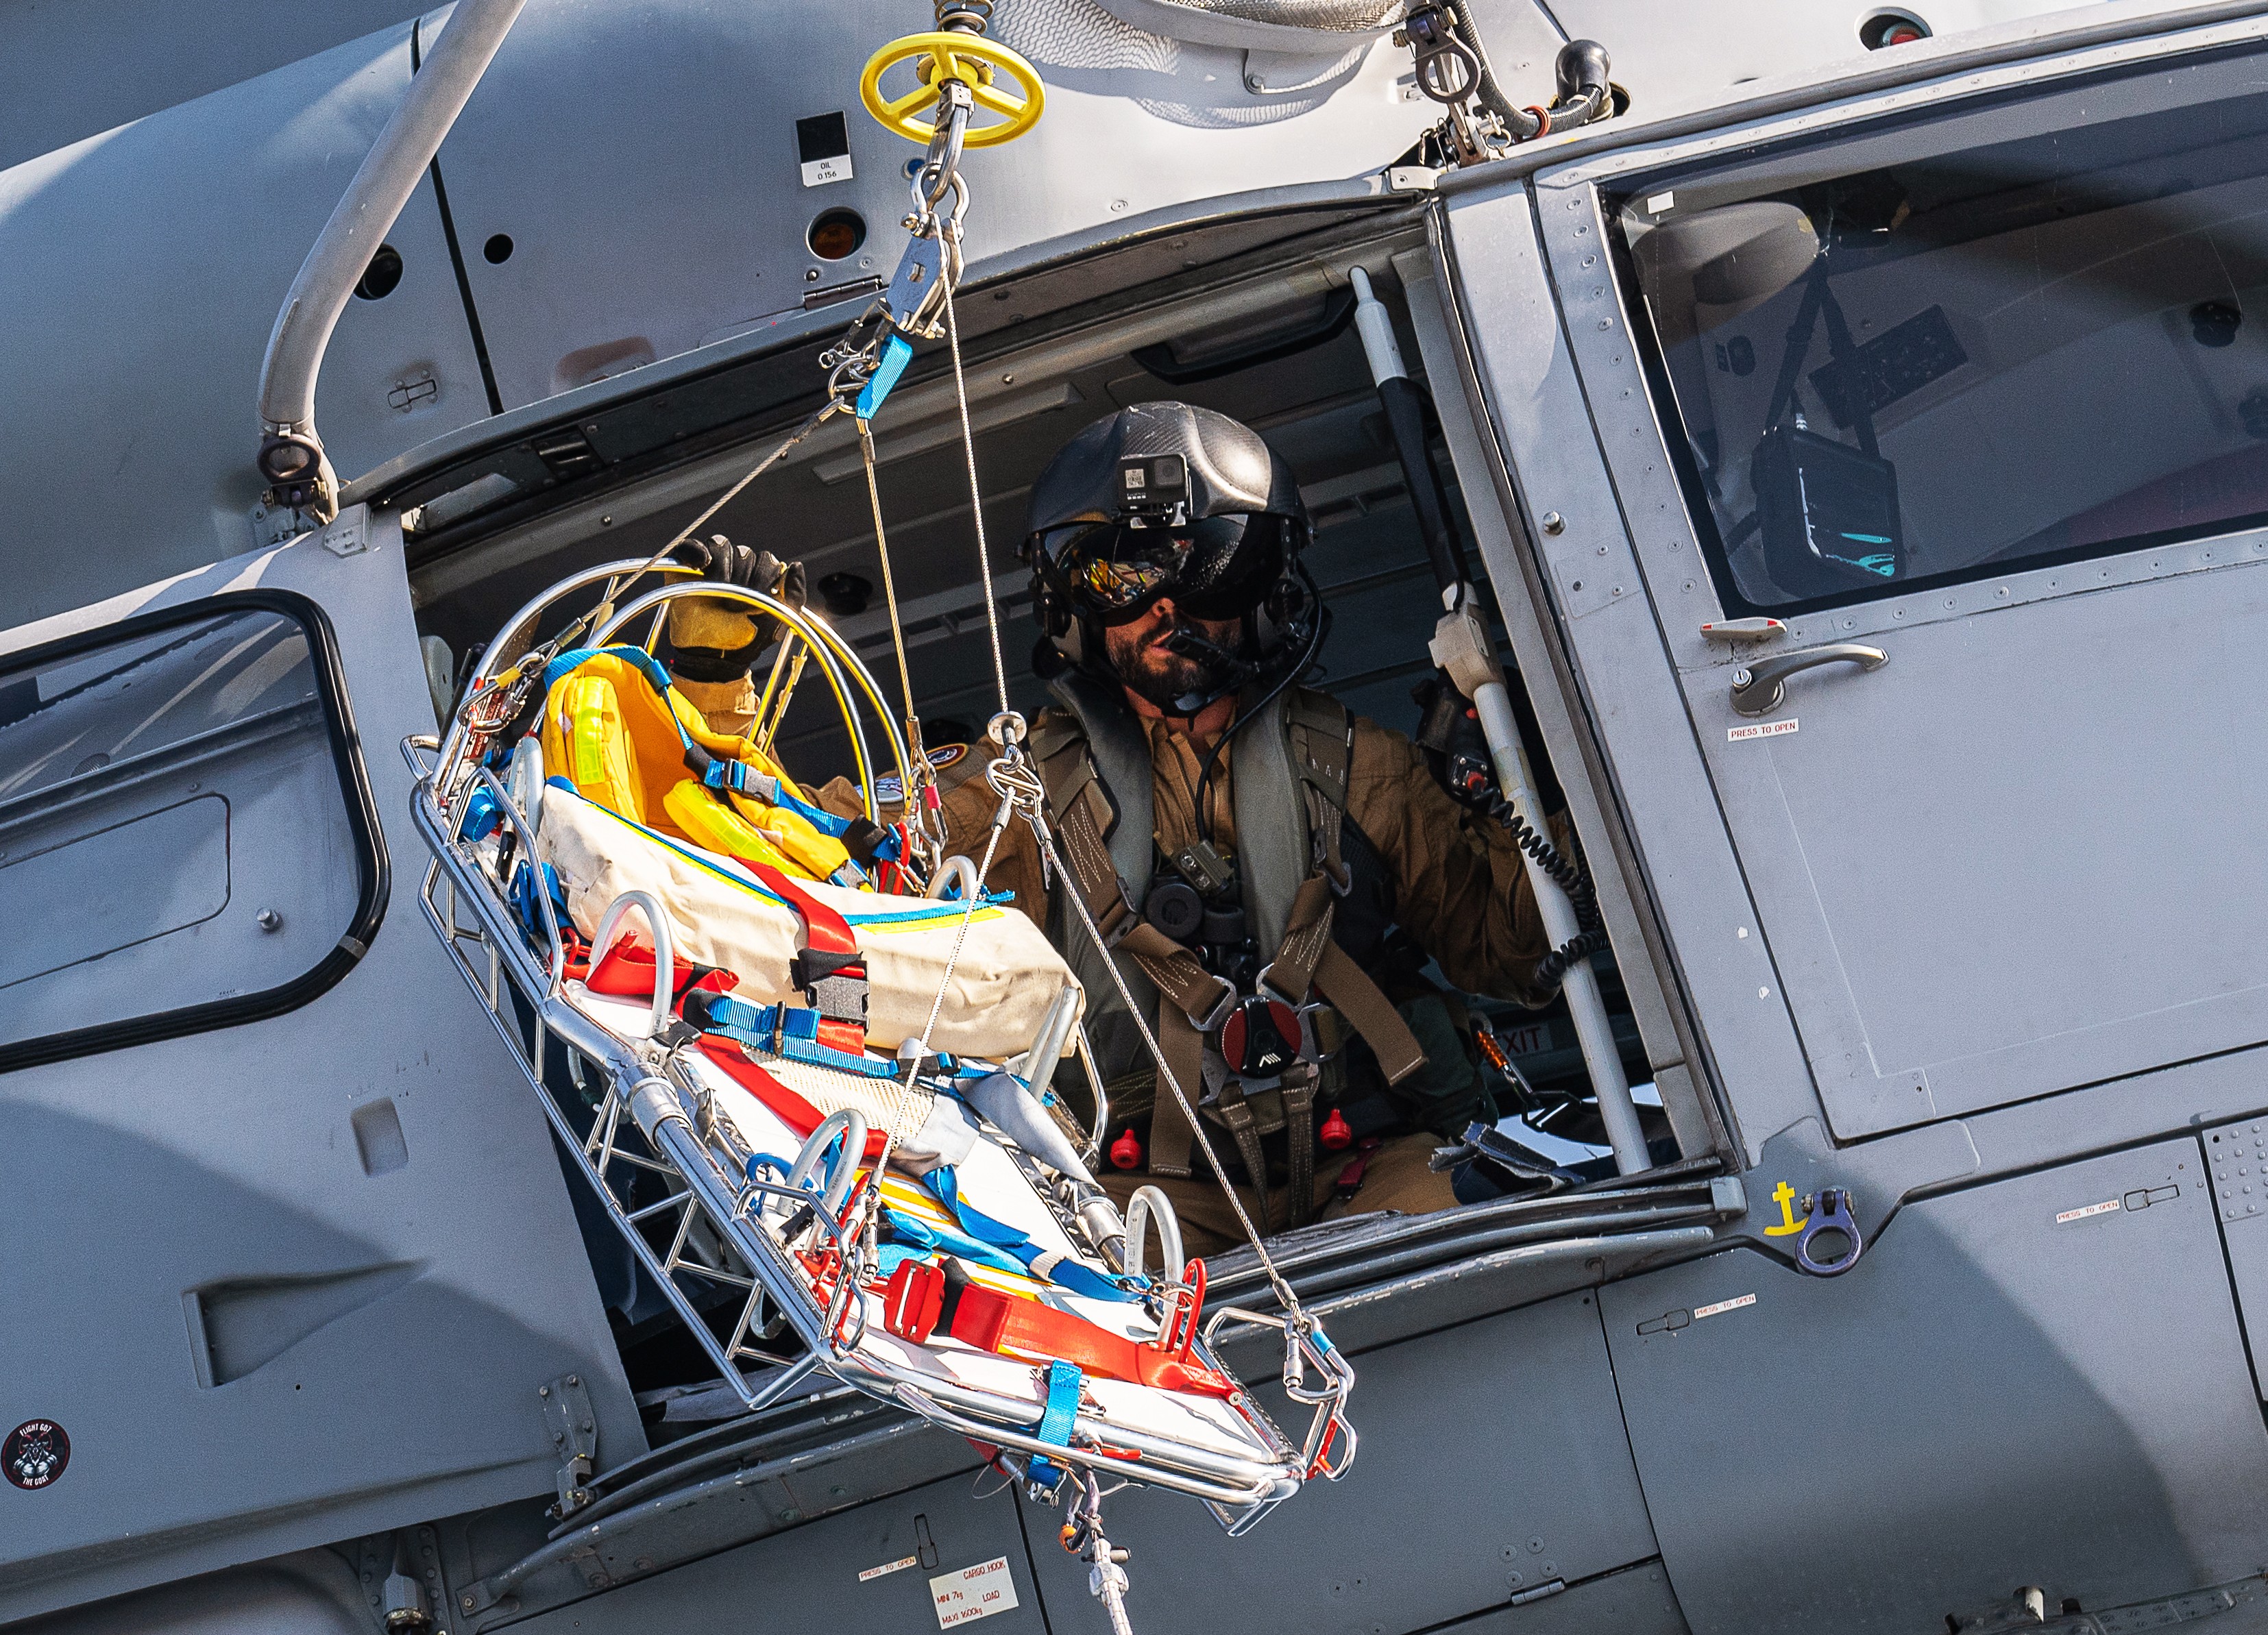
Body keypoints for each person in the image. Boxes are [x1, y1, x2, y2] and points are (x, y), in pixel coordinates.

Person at [872, 402, 1565, 1256]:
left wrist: (1551, 749)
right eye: (1120, 578)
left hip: (1366, 1167)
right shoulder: (1015, 789)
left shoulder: (1356, 765)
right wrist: (717, 695)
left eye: (1212, 570)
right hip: (1133, 1205)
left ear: (1265, 585)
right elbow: (827, 854)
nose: (1169, 608)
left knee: (1483, 1255)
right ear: (1072, 605)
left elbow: (1513, 944)